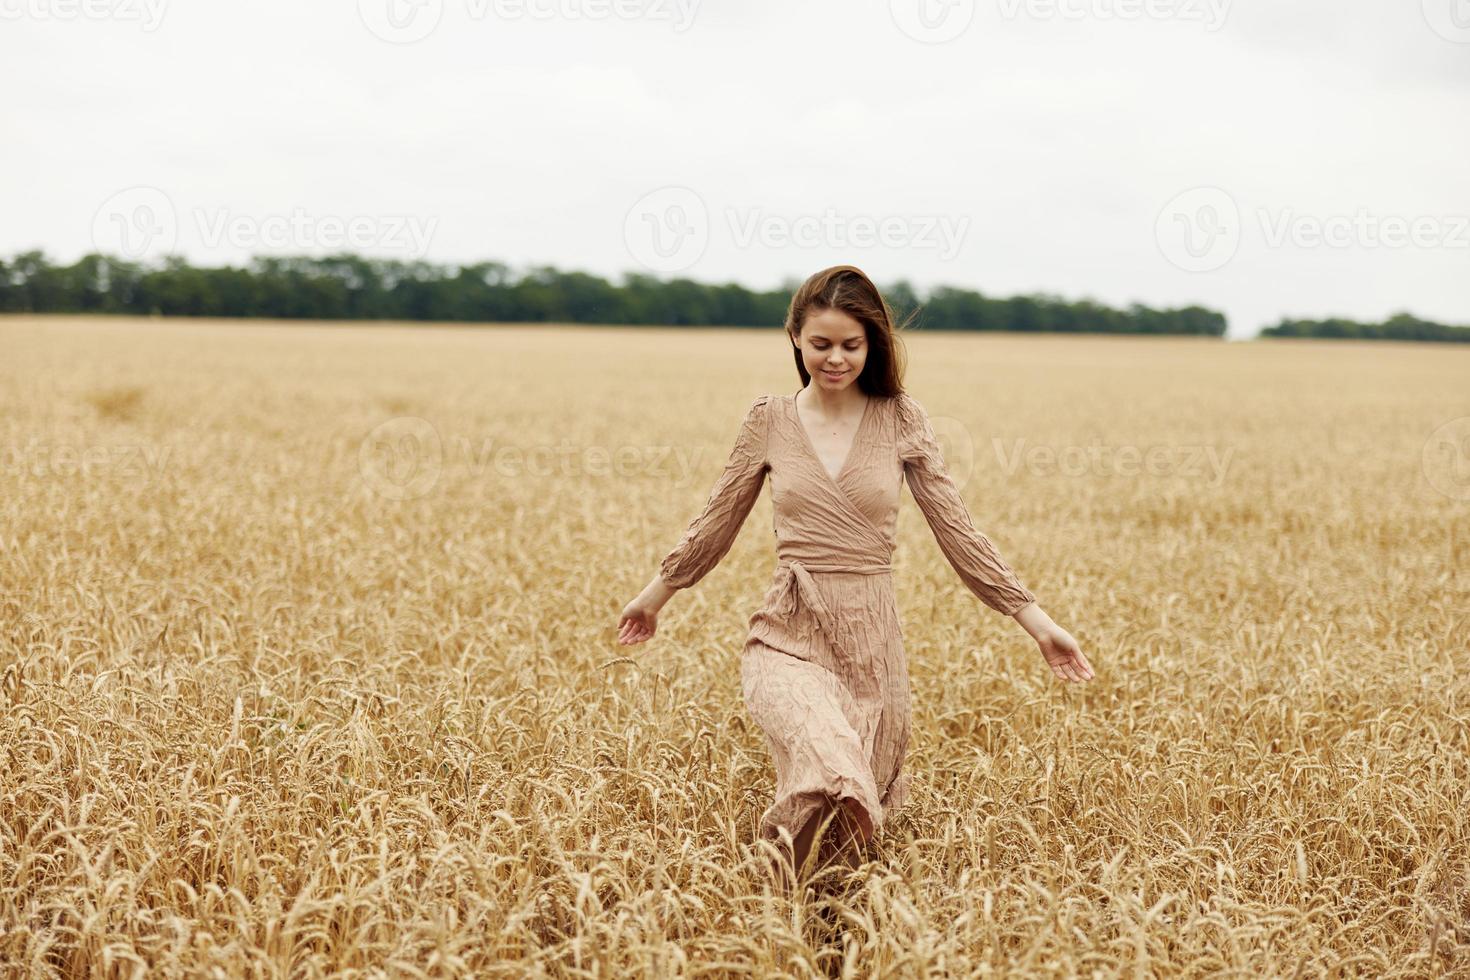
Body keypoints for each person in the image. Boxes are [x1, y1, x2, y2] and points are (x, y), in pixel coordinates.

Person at [616, 265, 1093, 895]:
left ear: (873, 346)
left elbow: (957, 529)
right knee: (824, 764)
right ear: (795, 338)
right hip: (787, 629)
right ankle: (762, 910)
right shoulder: (770, 419)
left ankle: (821, 930)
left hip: (872, 643)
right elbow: (718, 518)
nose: (835, 358)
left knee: (850, 825)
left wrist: (1036, 622)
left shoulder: (900, 418)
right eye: (821, 343)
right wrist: (654, 598)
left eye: (851, 344)